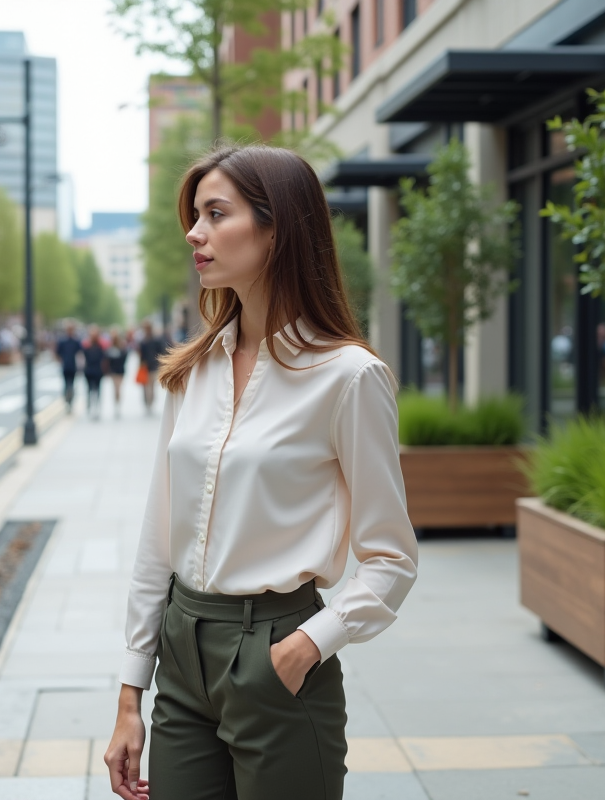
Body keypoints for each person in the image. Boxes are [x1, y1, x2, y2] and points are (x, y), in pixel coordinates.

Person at [104, 145, 418, 800]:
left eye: (216, 214)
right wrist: (131, 693)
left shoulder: (349, 377)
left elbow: (391, 558)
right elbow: (157, 542)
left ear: (278, 229)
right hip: (181, 656)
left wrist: (308, 645)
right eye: (195, 216)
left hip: (277, 652)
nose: (195, 233)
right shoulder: (193, 371)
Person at [136, 320, 167, 414]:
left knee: (147, 387)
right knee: (151, 386)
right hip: (152, 366)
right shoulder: (154, 340)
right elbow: (161, 352)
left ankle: (149, 403)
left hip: (147, 366)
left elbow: (141, 355)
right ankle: (150, 403)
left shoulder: (144, 341)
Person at [82, 324, 108, 420]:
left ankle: (95, 407)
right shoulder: (87, 345)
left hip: (96, 370)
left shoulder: (101, 346)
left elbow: (104, 359)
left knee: (96, 390)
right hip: (90, 370)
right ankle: (91, 406)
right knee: (90, 390)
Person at [56, 322, 83, 413]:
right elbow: (57, 353)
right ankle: (67, 401)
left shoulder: (76, 341)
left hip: (73, 366)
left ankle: (70, 401)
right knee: (66, 384)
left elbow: (80, 354)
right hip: (66, 366)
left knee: (71, 384)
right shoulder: (63, 341)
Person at [107, 328, 129, 417]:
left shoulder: (122, 348)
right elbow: (107, 359)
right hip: (113, 371)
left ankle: (118, 403)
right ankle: (116, 404)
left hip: (119, 371)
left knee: (118, 388)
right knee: (115, 388)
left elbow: (124, 358)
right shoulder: (110, 348)